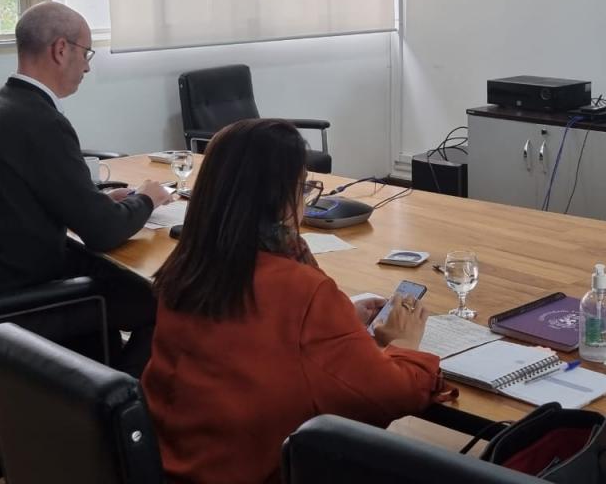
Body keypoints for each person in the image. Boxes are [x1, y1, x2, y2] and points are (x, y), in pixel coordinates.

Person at [143, 119, 448, 484]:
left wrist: (339, 321)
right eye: (303, 187)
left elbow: (257, 344)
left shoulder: (188, 265)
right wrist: (404, 344)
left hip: (169, 467)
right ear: (280, 198)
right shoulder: (299, 289)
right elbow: (391, 395)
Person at [0, 1, 172, 373]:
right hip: (17, 303)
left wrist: (100, 201)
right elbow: (103, 232)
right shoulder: (40, 121)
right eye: (86, 53)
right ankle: (111, 412)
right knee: (163, 300)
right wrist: (147, 199)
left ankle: (75, 399)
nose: (89, 66)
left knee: (114, 284)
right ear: (61, 50)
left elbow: (18, 200)